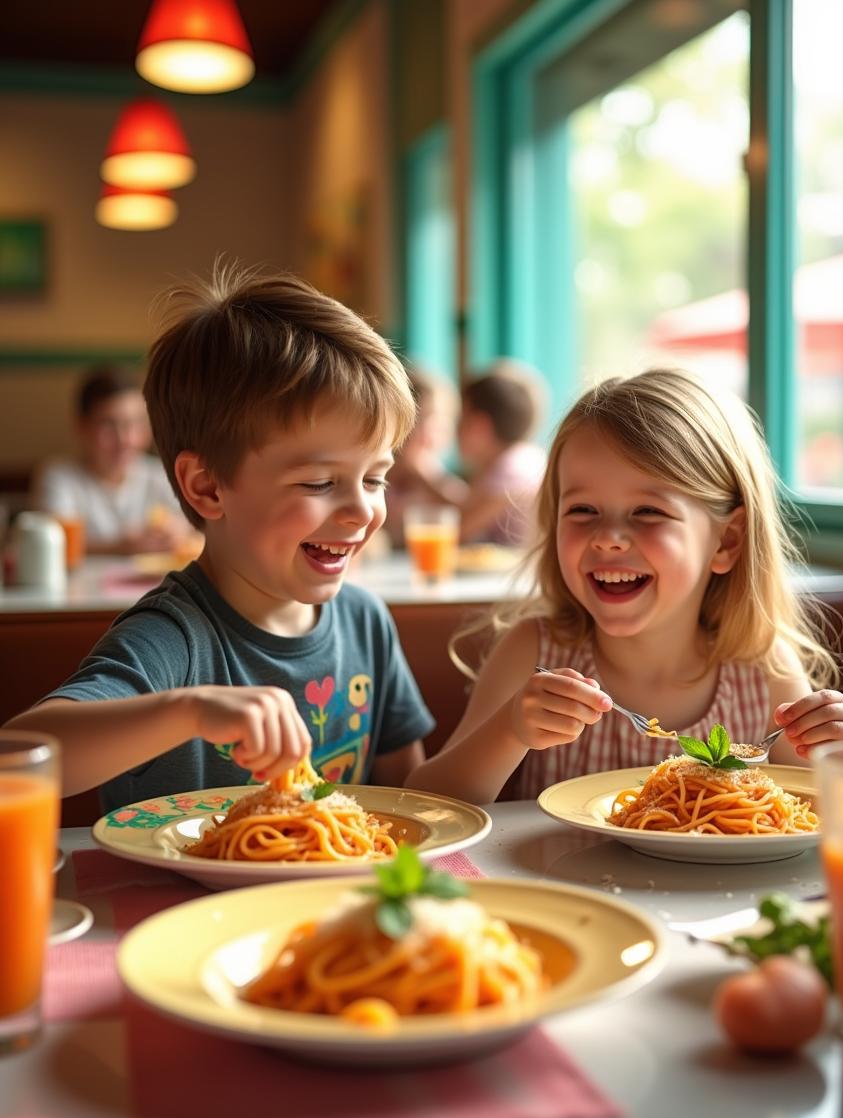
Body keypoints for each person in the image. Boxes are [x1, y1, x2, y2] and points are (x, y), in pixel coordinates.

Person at [4, 261, 433, 811]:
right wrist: (190, 711)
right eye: (320, 482)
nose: (362, 511)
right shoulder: (176, 638)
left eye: (375, 478)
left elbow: (414, 807)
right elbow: (18, 755)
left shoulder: (366, 623)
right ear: (207, 487)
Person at [404, 369, 843, 803]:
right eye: (582, 510)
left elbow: (822, 815)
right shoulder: (536, 652)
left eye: (648, 512)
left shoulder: (762, 670)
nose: (607, 538)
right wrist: (509, 730)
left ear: (725, 541)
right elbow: (428, 805)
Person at [31, 365, 191, 556]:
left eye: (135, 423)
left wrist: (180, 530)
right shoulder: (59, 477)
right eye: (109, 424)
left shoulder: (161, 474)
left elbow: (191, 526)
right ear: (82, 426)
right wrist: (120, 547)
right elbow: (54, 542)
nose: (125, 439)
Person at [454, 359, 548, 547]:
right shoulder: (525, 457)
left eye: (460, 418)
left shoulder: (513, 466)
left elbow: (458, 530)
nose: (454, 429)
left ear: (479, 426)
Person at [382, 362, 468, 549]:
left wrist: (428, 480)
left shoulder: (434, 474)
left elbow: (465, 510)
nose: (437, 430)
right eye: (426, 419)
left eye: (445, 419)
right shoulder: (380, 475)